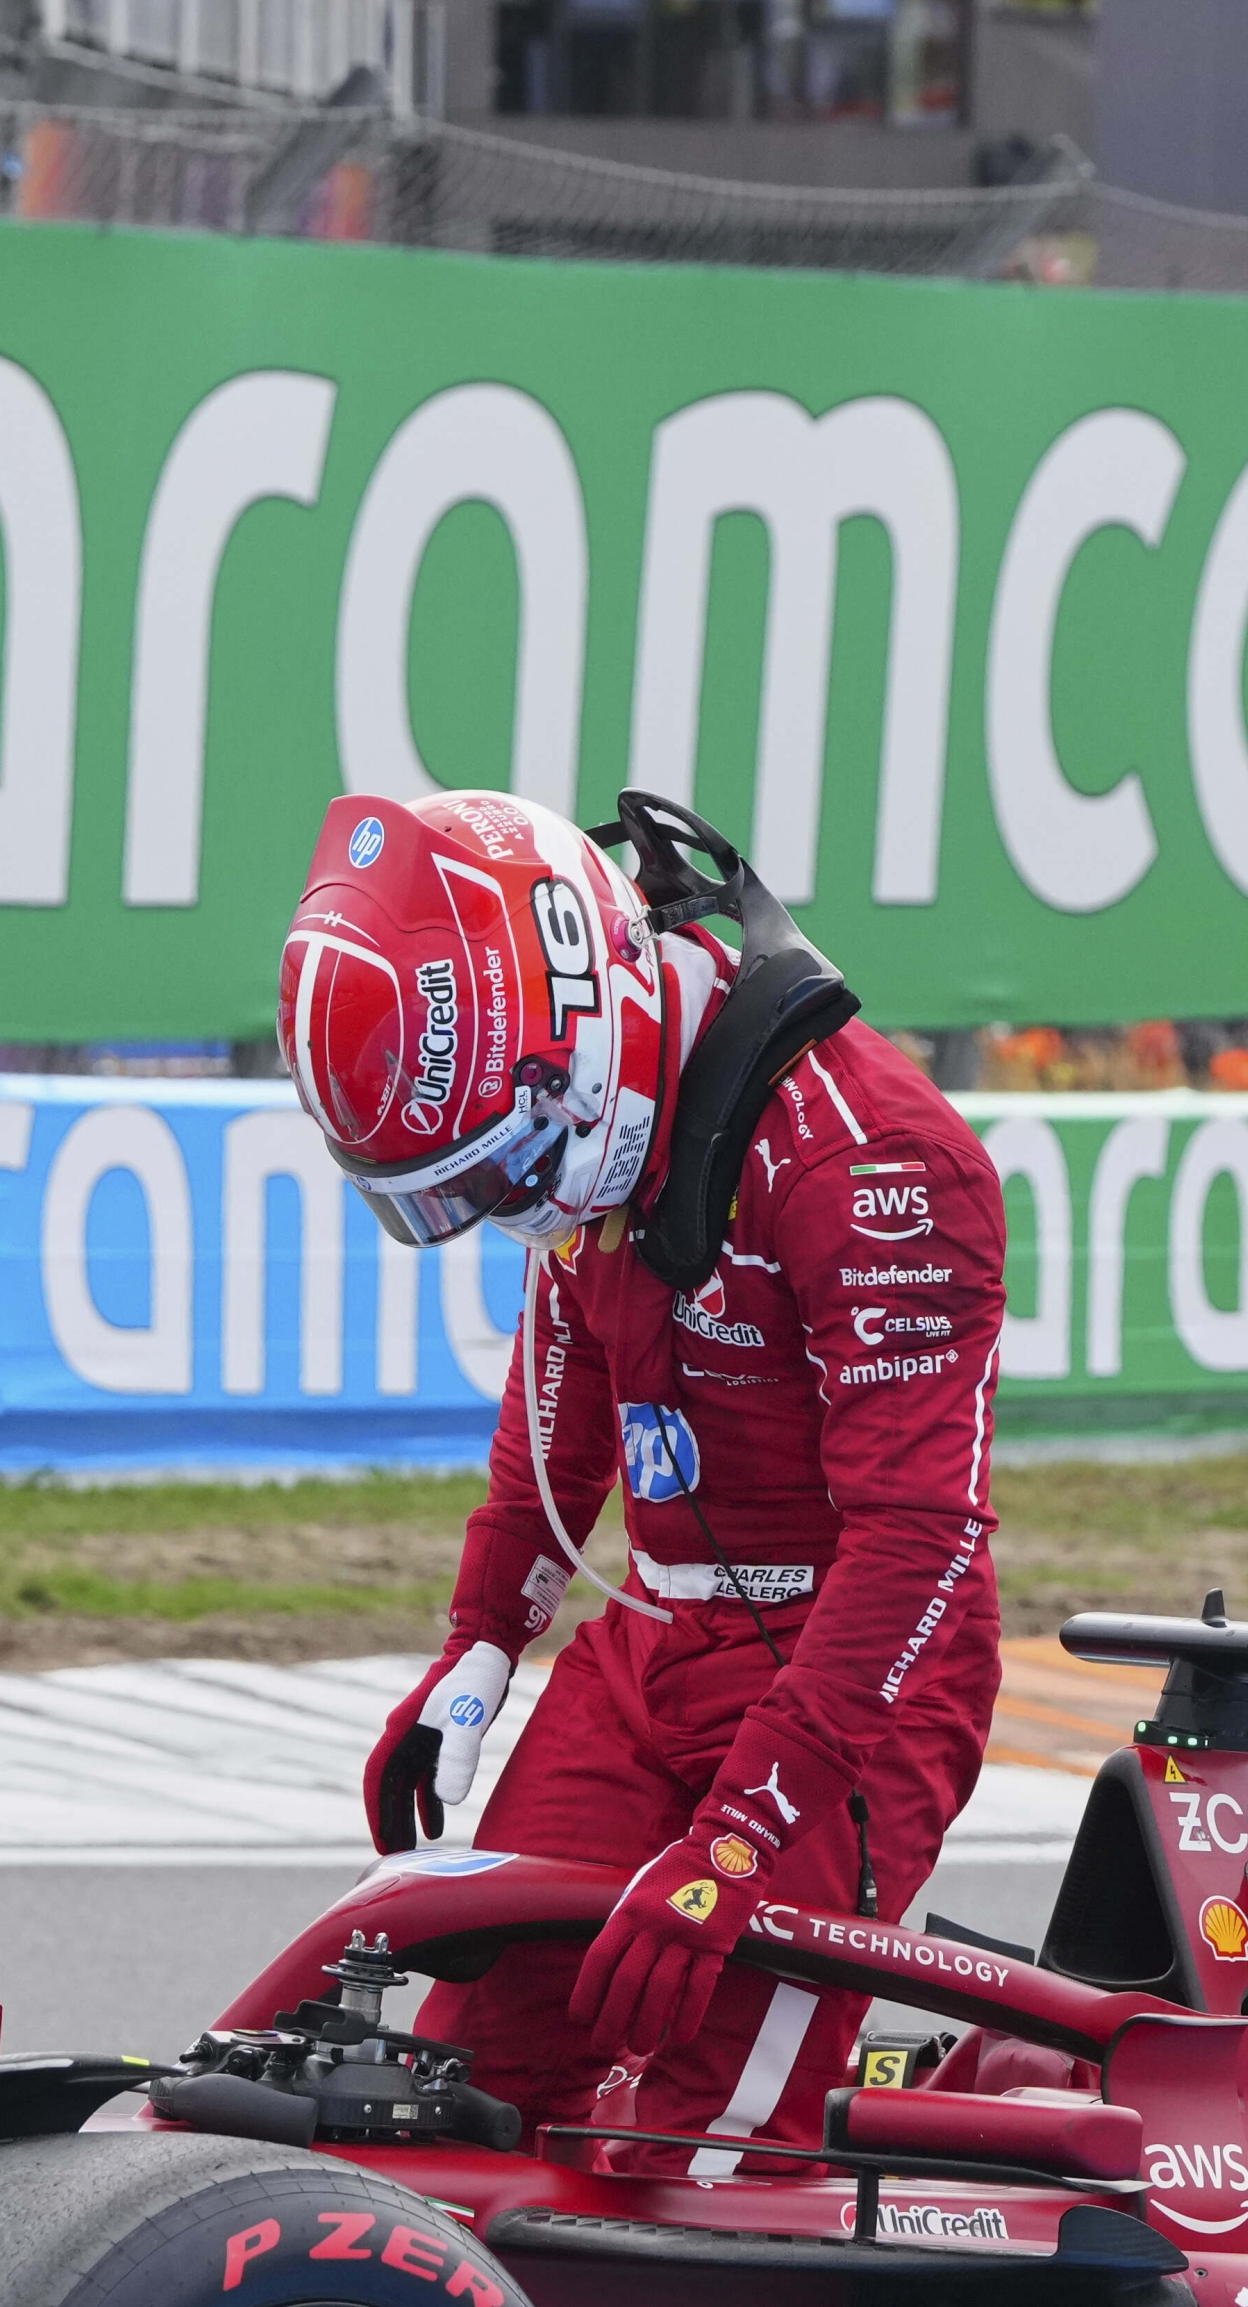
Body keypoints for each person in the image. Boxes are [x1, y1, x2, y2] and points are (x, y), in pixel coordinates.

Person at [293, 786, 1006, 2151]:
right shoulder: (587, 1125)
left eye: (507, 1172)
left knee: (701, 2155)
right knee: (460, 2094)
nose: (508, 1207)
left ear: (595, 1024)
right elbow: (554, 1410)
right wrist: (478, 1648)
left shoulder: (882, 1169)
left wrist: (742, 1838)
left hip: (858, 1678)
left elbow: (922, 1542)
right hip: (650, 1648)